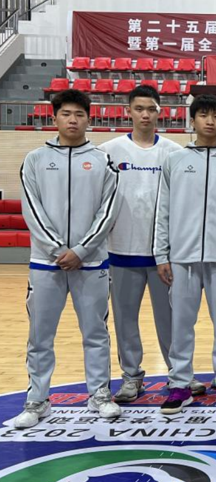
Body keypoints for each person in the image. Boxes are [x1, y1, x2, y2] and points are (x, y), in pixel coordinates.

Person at [14, 89, 122, 429]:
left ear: (89, 118)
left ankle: (99, 394)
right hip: (45, 264)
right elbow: (32, 209)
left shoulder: (104, 161)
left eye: (79, 114)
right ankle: (37, 400)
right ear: (54, 117)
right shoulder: (35, 160)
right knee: (40, 336)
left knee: (95, 332)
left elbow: (108, 211)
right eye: (66, 114)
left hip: (92, 263)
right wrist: (57, 250)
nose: (72, 120)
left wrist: (82, 250)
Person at [100, 86, 203, 403]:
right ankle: (131, 377)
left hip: (164, 256)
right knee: (125, 321)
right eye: (139, 108)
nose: (145, 114)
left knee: (171, 320)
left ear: (161, 112)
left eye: (151, 109)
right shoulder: (108, 151)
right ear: (128, 111)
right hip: (121, 251)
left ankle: (179, 374)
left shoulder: (174, 152)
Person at [155, 95, 216, 415]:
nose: (209, 121)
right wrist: (161, 254)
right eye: (203, 115)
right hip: (182, 257)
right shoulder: (175, 160)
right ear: (193, 120)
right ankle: (180, 383)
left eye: (215, 116)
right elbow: (162, 211)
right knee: (181, 324)